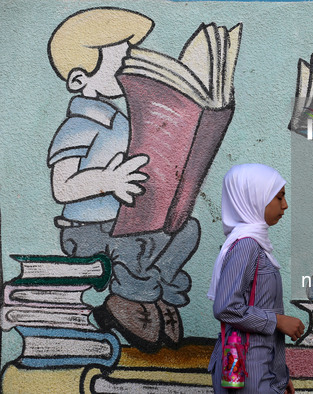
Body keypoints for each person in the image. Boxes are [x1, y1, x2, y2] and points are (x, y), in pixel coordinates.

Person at [47, 8, 201, 352]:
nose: (131, 71)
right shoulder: (81, 125)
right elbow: (62, 186)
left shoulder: (123, 121)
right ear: (78, 80)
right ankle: (129, 302)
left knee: (185, 230)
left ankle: (162, 297)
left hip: (124, 222)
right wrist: (108, 180)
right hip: (87, 231)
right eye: (120, 63)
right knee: (136, 244)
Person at [208, 164, 305, 394]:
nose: (285, 205)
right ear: (254, 198)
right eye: (279, 197)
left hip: (261, 371)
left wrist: (281, 375)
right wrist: (278, 321)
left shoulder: (256, 245)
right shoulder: (246, 246)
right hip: (249, 374)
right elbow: (225, 307)